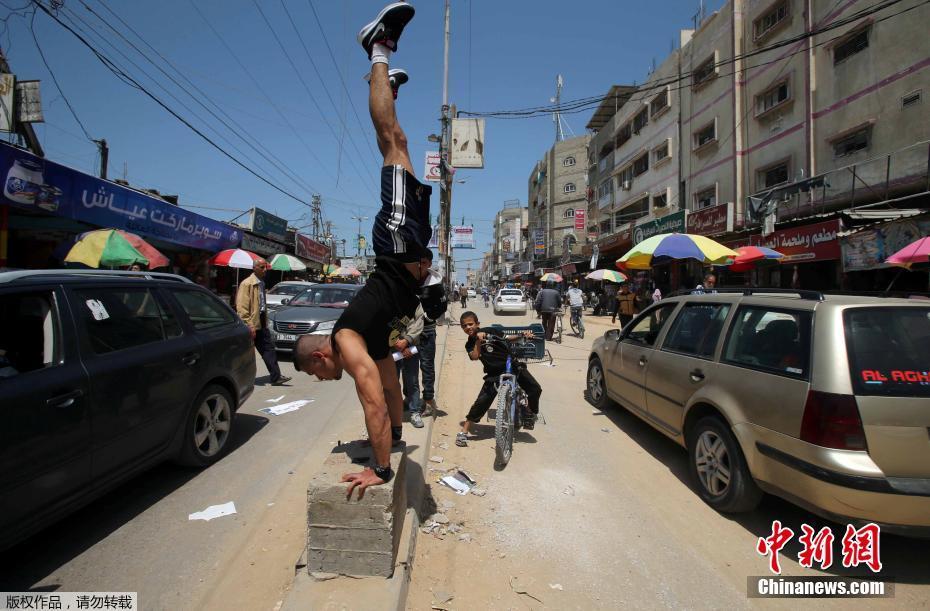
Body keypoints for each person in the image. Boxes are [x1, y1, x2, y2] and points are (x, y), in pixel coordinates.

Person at [293, 1, 436, 500]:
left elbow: (372, 399)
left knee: (391, 141)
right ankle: (387, 85)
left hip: (398, 247)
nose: (326, 379)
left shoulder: (348, 339)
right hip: (409, 249)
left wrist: (379, 468)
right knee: (401, 142)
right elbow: (393, 391)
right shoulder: (373, 346)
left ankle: (376, 44)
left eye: (319, 374)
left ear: (320, 356)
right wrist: (394, 440)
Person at [456, 311, 542, 447]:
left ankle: (530, 411)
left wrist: (522, 335)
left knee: (535, 389)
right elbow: (474, 356)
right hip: (493, 373)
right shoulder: (469, 343)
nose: (468, 327)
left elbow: (507, 337)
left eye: (470, 324)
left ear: (477, 324)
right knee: (481, 402)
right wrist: (478, 341)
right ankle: (464, 431)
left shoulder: (490, 330)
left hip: (512, 366)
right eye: (464, 326)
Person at [236, 259, 291, 386]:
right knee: (244, 354)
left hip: (261, 321)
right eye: (262, 267)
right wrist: (249, 324)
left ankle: (276, 377)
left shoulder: (261, 283)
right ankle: (238, 378)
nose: (265, 269)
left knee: (268, 349)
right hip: (251, 323)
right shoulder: (247, 284)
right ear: (254, 268)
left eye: (265, 267)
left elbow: (261, 305)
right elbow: (242, 307)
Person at [396, 303, 424, 427]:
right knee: (391, 382)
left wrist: (407, 340)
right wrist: (396, 342)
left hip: (411, 347)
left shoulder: (414, 302)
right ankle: (391, 414)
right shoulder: (388, 299)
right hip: (392, 348)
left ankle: (415, 412)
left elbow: (419, 323)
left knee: (412, 381)